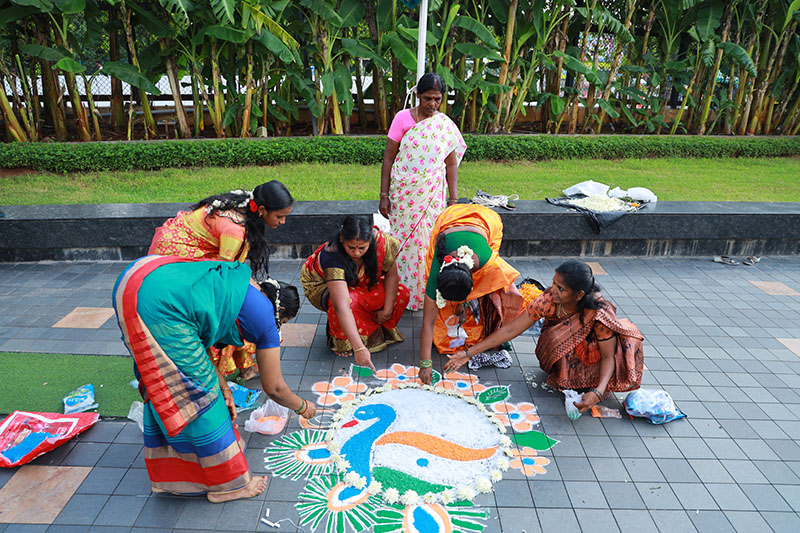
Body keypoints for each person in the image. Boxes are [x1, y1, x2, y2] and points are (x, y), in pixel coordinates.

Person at [112, 256, 315, 502]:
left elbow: (197, 337)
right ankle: (230, 485)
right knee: (200, 394)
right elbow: (274, 387)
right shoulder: (265, 319)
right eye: (282, 323)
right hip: (159, 306)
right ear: (279, 311)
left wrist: (224, 386)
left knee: (169, 378)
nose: (278, 328)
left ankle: (182, 469)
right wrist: (303, 407)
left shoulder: (244, 284)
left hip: (139, 278)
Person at [443, 259, 644, 414]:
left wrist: (598, 393)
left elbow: (609, 356)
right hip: (564, 352)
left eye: (561, 289)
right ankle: (566, 377)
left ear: (579, 295)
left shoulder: (598, 313)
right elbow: (510, 330)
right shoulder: (548, 301)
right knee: (559, 339)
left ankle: (592, 384)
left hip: (595, 357)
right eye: (554, 284)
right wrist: (467, 354)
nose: (552, 291)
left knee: (580, 345)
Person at [149, 180, 294, 380]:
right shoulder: (235, 231)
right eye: (280, 216)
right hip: (177, 257)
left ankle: (242, 364)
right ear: (261, 210)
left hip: (196, 252)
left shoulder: (244, 209)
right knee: (224, 306)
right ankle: (209, 366)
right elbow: (224, 280)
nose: (283, 221)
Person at [379, 73, 467, 311]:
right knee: (403, 244)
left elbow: (450, 164)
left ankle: (425, 293)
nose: (432, 104)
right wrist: (384, 196)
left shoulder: (444, 125)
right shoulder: (402, 119)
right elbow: (388, 159)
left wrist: (454, 199)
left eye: (437, 99)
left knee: (429, 243)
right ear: (417, 95)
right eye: (427, 98)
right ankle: (400, 292)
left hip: (432, 196)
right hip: (404, 195)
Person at [419, 204, 524, 385]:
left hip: (486, 221)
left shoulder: (486, 261)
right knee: (438, 311)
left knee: (487, 296)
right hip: (450, 218)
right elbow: (427, 323)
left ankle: (479, 325)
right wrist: (425, 363)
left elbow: (497, 286)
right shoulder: (436, 271)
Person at [300, 215, 410, 371]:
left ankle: (376, 332)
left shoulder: (382, 243)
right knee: (350, 301)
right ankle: (345, 340)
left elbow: (392, 275)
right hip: (324, 288)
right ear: (341, 240)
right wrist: (359, 349)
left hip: (361, 282)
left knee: (401, 293)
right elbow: (341, 306)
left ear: (370, 242)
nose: (357, 253)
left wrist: (387, 310)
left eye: (362, 248)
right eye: (351, 248)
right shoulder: (332, 255)